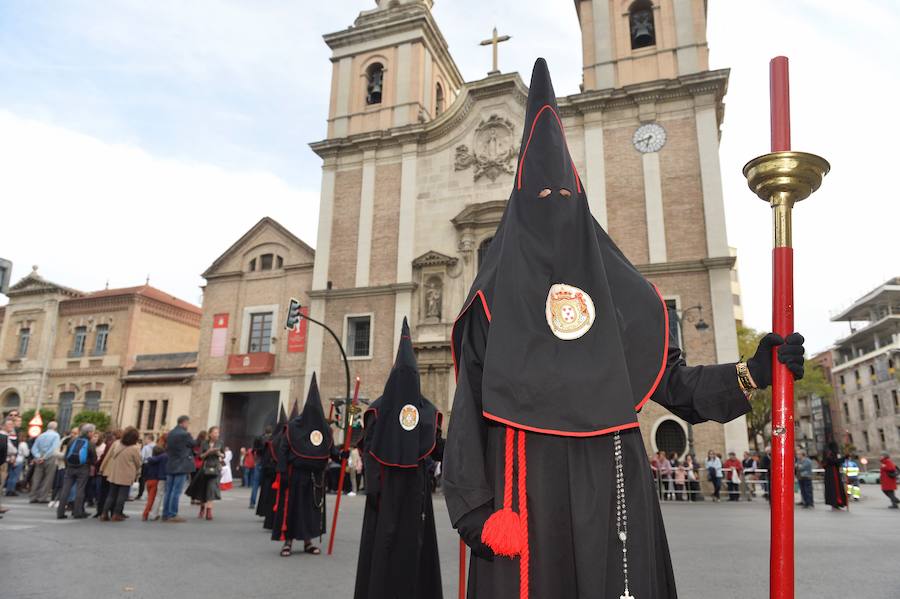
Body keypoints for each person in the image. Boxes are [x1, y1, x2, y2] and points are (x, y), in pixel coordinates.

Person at [442, 60, 808, 599]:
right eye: (540, 197)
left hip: (611, 490)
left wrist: (754, 372)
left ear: (582, 199)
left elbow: (675, 386)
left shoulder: (621, 295)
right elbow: (468, 411)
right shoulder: (489, 302)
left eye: (563, 195)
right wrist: (475, 513)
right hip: (522, 495)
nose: (554, 207)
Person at [354, 320, 443, 598]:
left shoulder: (426, 412)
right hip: (386, 491)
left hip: (414, 491)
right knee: (385, 548)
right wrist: (374, 488)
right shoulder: (379, 411)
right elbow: (370, 450)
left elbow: (436, 448)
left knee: (412, 549)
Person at [272, 373, 341, 557]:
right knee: (293, 509)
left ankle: (308, 541)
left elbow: (332, 451)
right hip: (296, 475)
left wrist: (343, 455)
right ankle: (288, 542)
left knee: (312, 510)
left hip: (317, 477)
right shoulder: (294, 426)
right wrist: (282, 471)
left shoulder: (325, 430)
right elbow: (283, 449)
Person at [99, 427, 142, 521]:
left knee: (111, 494)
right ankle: (116, 514)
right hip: (126, 474)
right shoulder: (135, 448)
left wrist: (102, 468)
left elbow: (108, 456)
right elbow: (138, 462)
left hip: (114, 472)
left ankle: (104, 513)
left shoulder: (116, 444)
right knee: (122, 495)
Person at [56, 423, 97, 519]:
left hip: (70, 468)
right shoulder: (90, 444)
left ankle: (60, 512)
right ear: (89, 433)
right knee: (80, 490)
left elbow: (66, 455)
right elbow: (94, 459)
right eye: (92, 432)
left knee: (65, 489)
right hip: (83, 468)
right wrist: (89, 464)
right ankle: (77, 512)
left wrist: (68, 465)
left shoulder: (72, 440)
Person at [185, 426, 224, 520]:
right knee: (203, 489)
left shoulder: (220, 443)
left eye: (217, 433)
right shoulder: (204, 443)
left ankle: (209, 511)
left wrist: (218, 453)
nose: (216, 435)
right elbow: (200, 456)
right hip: (205, 468)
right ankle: (202, 508)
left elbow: (223, 455)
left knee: (211, 489)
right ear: (210, 434)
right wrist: (208, 452)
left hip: (215, 468)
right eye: (215, 433)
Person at [162, 415, 195, 523]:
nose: (188, 425)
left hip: (170, 464)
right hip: (181, 465)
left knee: (169, 491)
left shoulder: (171, 433)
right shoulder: (185, 434)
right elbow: (193, 444)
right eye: (188, 423)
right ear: (184, 422)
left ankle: (165, 513)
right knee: (176, 491)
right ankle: (173, 514)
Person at [29, 421, 61, 503]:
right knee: (48, 478)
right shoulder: (56, 435)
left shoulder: (41, 435)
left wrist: (38, 456)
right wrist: (45, 457)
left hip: (39, 457)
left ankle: (33, 496)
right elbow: (53, 448)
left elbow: (34, 448)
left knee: (37, 477)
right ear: (56, 428)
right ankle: (42, 497)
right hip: (50, 458)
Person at [143, 436, 169, 521]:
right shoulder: (163, 457)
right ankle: (147, 513)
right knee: (154, 497)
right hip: (156, 480)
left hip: (148, 481)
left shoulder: (150, 461)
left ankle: (151, 513)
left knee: (151, 497)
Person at [822, 442, 847, 511]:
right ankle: (835, 503)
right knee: (834, 489)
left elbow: (837, 463)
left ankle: (838, 503)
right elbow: (834, 462)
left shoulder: (831, 454)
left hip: (834, 472)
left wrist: (843, 459)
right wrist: (843, 458)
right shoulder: (829, 454)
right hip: (832, 474)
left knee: (837, 488)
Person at [136, 433, 156, 500]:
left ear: (149, 439)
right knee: (151, 479)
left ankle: (140, 494)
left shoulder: (146, 447)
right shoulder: (156, 446)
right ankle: (150, 494)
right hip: (153, 464)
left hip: (146, 464)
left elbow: (142, 457)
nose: (145, 440)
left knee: (142, 480)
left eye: (146, 439)